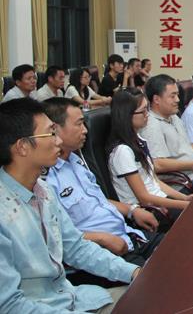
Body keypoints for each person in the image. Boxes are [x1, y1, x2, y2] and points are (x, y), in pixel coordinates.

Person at [0, 98, 140, 313]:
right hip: (44, 308)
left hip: (74, 299)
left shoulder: (44, 191)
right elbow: (10, 305)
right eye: (50, 134)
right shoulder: (4, 213)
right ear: (22, 147)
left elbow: (76, 247)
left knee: (153, 296)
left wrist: (133, 272)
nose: (58, 141)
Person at [43, 98, 163, 268]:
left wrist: (132, 211)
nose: (85, 130)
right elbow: (56, 236)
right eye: (79, 124)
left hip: (127, 234)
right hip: (102, 252)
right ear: (54, 129)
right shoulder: (46, 179)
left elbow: (99, 201)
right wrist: (102, 238)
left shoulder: (76, 162)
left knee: (182, 246)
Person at [107, 88, 192, 228]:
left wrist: (185, 198)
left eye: (147, 109)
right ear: (126, 115)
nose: (147, 114)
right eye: (143, 111)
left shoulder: (138, 140)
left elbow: (154, 181)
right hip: (149, 210)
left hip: (159, 200)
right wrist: (184, 205)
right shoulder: (122, 152)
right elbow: (144, 198)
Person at [140, 75, 193, 191]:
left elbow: (188, 145)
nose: (178, 100)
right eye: (172, 96)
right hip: (186, 179)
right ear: (156, 99)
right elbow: (157, 164)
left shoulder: (174, 117)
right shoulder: (151, 125)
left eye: (177, 95)